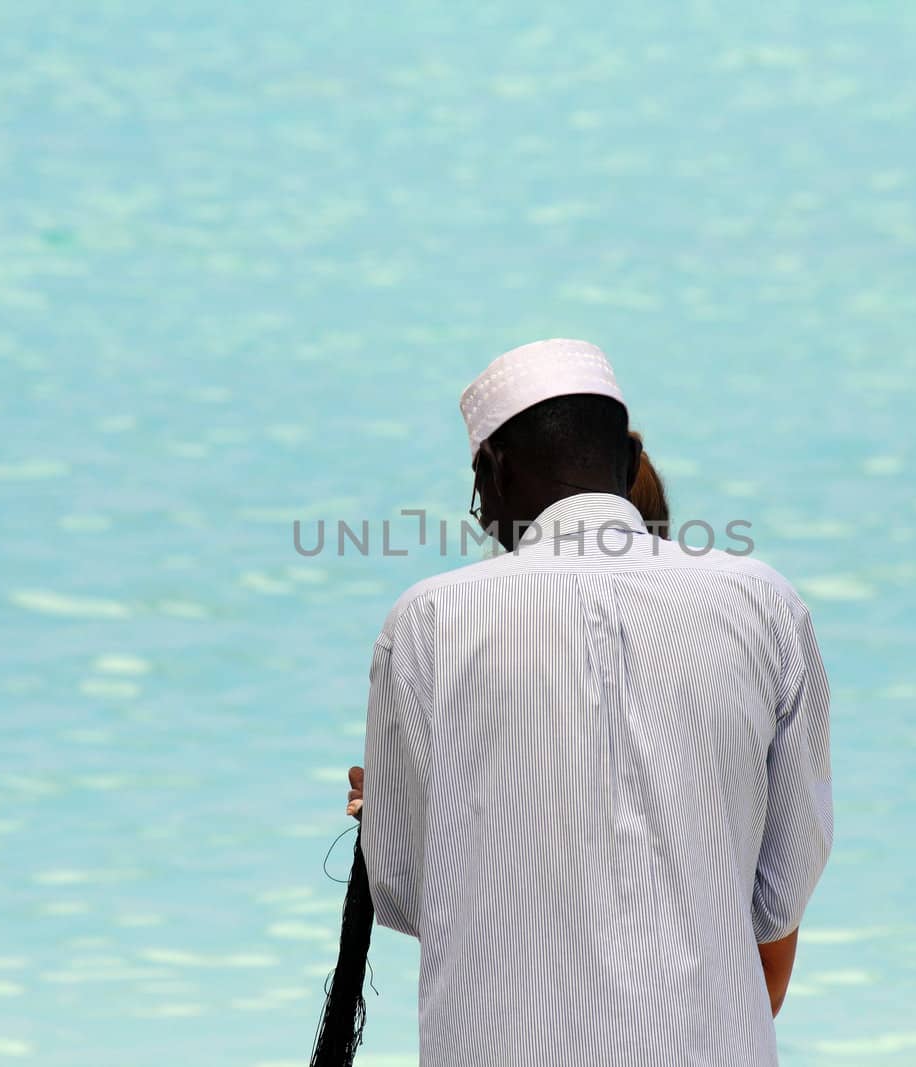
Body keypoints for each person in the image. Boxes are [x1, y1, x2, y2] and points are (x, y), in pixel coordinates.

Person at [347, 338, 832, 1065]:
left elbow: (409, 890)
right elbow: (780, 887)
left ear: (493, 468)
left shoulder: (429, 621)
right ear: (630, 465)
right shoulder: (764, 604)